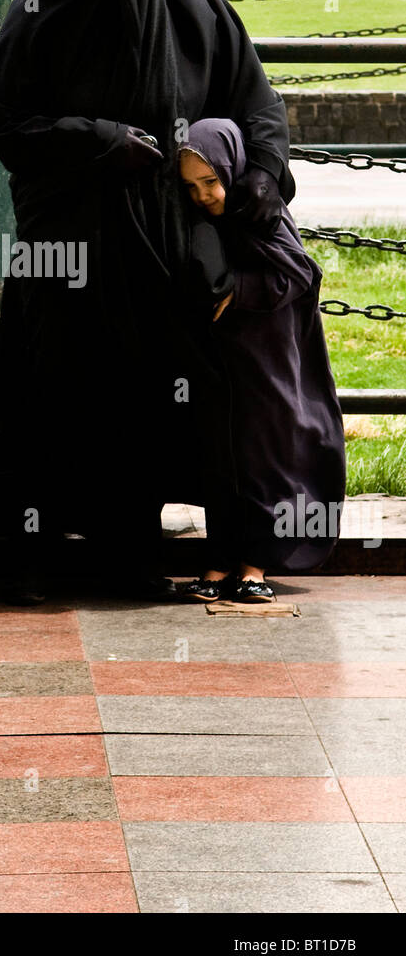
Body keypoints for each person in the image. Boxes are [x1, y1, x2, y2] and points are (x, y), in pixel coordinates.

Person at [0, 0, 296, 600]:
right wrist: (95, 138)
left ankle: (138, 553)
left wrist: (261, 177)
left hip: (168, 246)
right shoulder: (42, 10)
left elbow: (254, 101)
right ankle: (41, 554)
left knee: (163, 397)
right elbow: (9, 121)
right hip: (71, 245)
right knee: (60, 391)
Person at [177, 118, 346, 601]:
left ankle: (255, 565)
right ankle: (219, 561)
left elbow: (297, 274)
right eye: (191, 187)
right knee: (223, 460)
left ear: (231, 170)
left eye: (210, 182)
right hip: (224, 364)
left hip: (270, 359)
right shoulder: (202, 223)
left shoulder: (261, 214)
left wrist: (239, 289)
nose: (204, 195)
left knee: (265, 458)